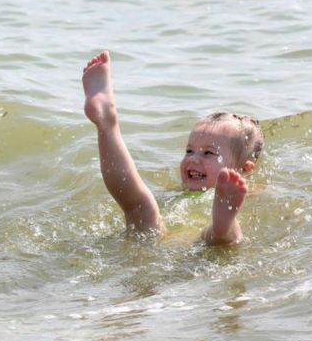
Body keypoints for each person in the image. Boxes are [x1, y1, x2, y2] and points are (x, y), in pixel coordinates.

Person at [81, 51, 264, 245]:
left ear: (244, 169)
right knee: (141, 206)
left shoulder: (252, 192)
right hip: (165, 241)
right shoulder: (176, 191)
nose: (193, 159)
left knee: (213, 236)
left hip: (197, 243)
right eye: (189, 151)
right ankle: (107, 123)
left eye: (208, 153)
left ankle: (224, 223)